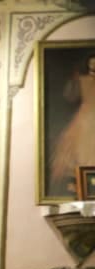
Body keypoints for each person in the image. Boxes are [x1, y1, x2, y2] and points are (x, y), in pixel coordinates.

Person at [48, 54, 95, 197]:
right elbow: (70, 96)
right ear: (88, 64)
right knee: (81, 149)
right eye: (92, 62)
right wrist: (74, 81)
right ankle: (80, 183)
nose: (94, 65)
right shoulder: (82, 79)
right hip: (85, 117)